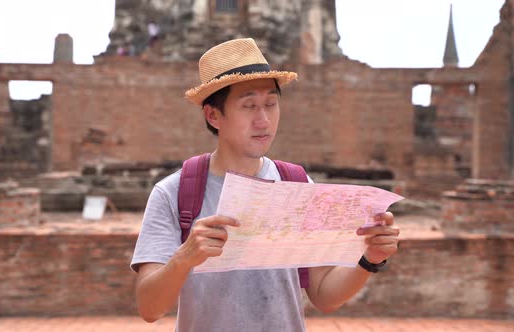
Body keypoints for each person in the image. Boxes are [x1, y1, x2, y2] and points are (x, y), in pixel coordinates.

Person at [130, 38, 400, 332]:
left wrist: (370, 259)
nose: (263, 121)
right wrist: (185, 257)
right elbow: (150, 308)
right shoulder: (173, 193)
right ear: (213, 115)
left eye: (271, 104)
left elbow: (324, 296)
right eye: (249, 106)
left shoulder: (297, 184)